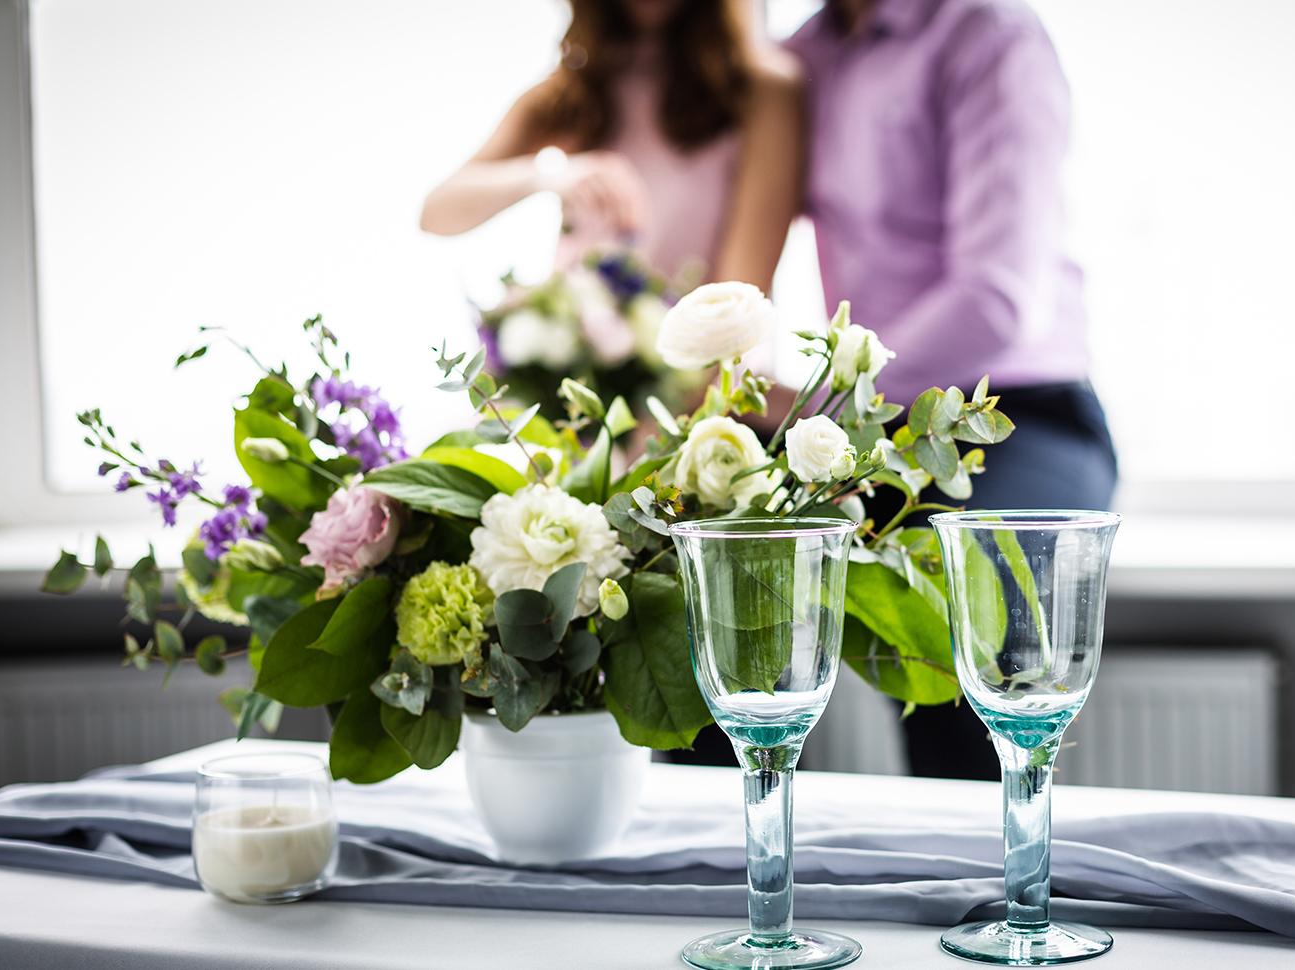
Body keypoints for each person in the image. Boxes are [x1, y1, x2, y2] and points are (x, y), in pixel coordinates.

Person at [786, 0, 1118, 780]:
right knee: (707, 580)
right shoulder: (799, 58)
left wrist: (821, 407)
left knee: (980, 628)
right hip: (866, 427)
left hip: (1019, 409)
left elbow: (997, 295)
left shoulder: (989, 34)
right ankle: (708, 882)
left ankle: (998, 896)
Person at [420, 0, 802, 294]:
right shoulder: (576, 90)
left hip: (697, 379)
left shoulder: (762, 92)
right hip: (578, 374)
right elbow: (437, 213)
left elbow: (739, 298)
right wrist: (549, 177)